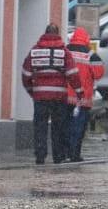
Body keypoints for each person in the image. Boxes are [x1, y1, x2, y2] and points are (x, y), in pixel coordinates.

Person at [21, 23, 78, 165]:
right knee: (58, 127)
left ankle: (40, 155)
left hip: (40, 96)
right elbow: (72, 74)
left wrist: (31, 90)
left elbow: (26, 73)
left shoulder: (34, 51)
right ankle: (57, 156)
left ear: (45, 33)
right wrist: (80, 92)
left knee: (40, 126)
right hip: (59, 97)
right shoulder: (64, 52)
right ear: (58, 34)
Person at [65, 27, 104, 163]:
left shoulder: (66, 51)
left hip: (65, 97)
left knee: (65, 126)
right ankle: (75, 154)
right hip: (83, 99)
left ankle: (64, 153)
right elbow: (99, 73)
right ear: (86, 39)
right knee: (79, 127)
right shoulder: (90, 54)